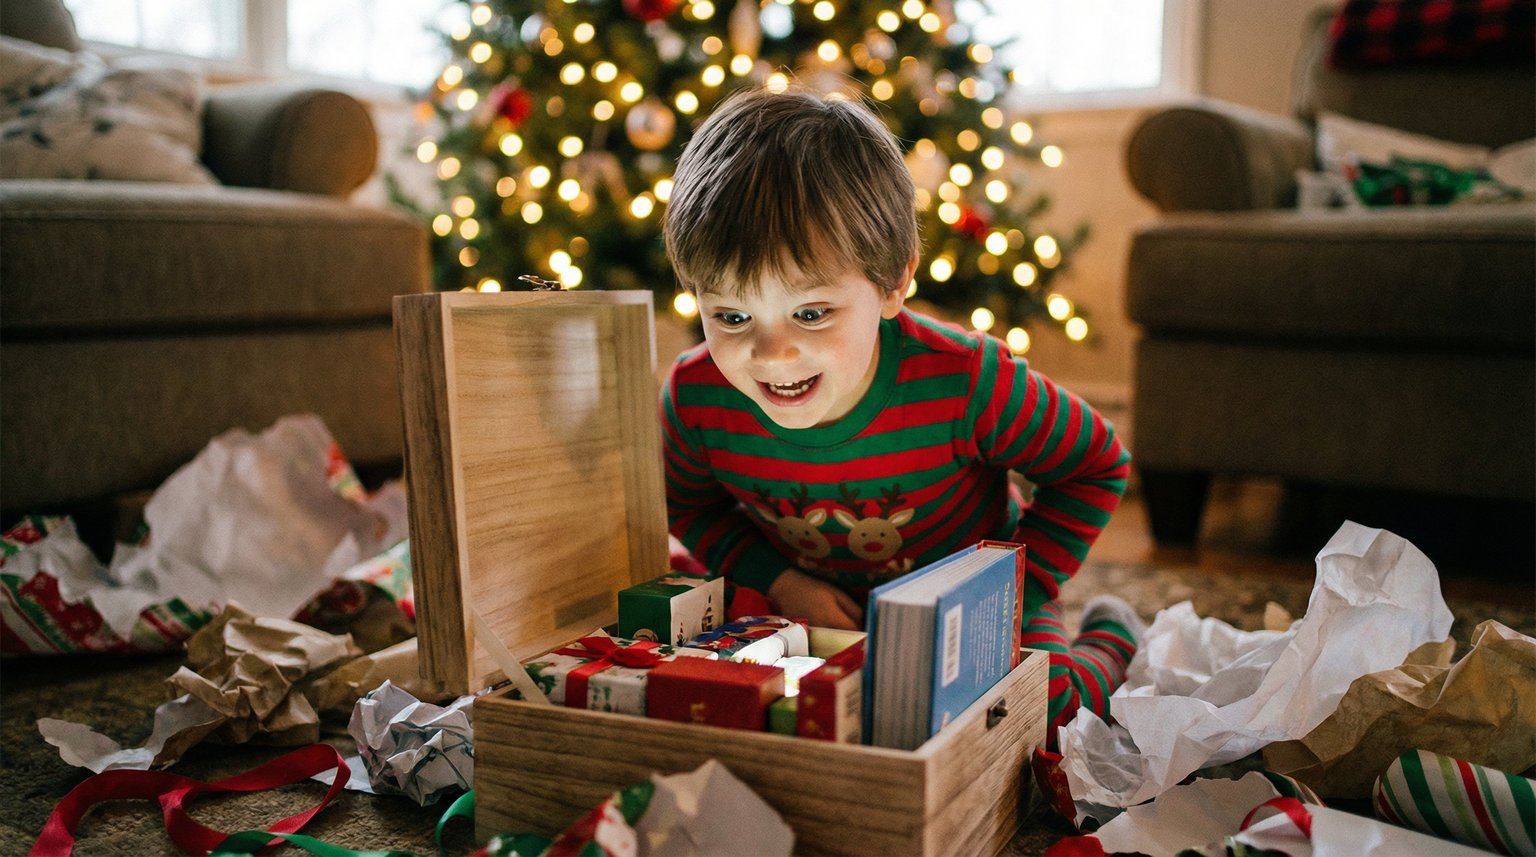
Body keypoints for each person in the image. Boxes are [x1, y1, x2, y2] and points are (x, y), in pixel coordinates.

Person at [660, 85, 1141, 745]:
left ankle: (1111, 638)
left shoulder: (967, 379)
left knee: (1043, 711)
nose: (770, 353)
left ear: (893, 285)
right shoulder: (696, 397)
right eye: (731, 315)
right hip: (805, 599)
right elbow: (691, 510)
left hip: (971, 609)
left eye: (810, 312)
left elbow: (1094, 465)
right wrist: (781, 581)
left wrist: (1014, 584)